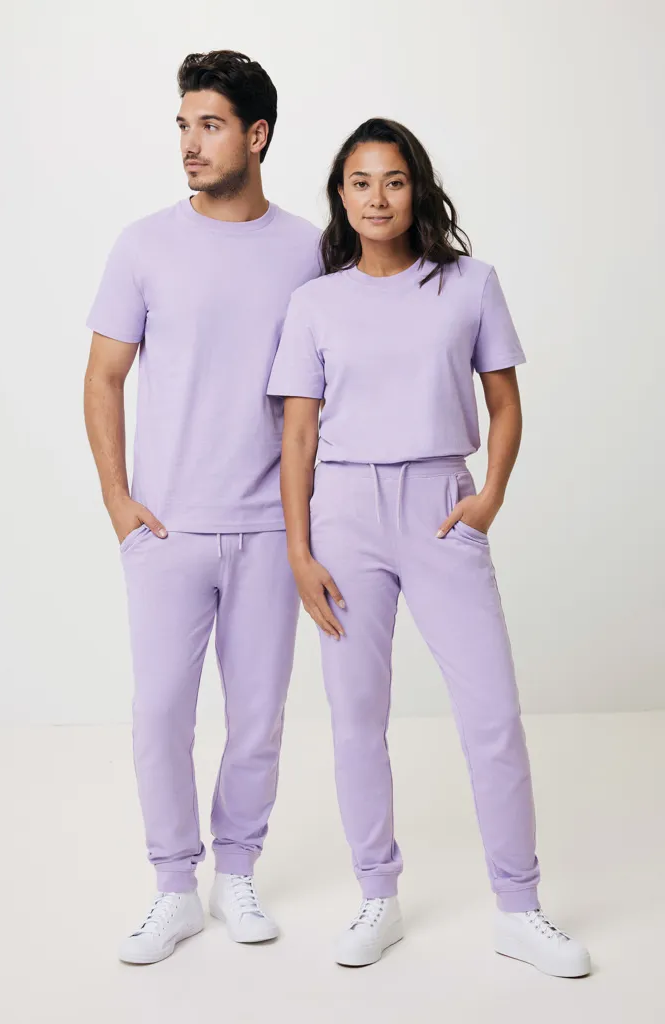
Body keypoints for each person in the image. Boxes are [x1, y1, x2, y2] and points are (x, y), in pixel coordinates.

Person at [266, 118, 591, 977]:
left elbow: (504, 405)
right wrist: (299, 550)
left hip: (442, 507)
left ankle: (518, 907)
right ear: (340, 195)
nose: (377, 198)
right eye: (360, 182)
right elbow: (297, 435)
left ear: (417, 189)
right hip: (343, 515)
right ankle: (377, 895)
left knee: (491, 715)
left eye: (394, 180)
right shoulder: (314, 303)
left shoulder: (469, 284)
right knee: (355, 718)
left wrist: (488, 498)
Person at [84, 50, 320, 965]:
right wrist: (119, 501)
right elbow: (104, 377)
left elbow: (327, 385)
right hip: (168, 528)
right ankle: (174, 887)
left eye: (210, 125)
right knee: (160, 715)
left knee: (257, 717)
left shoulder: (309, 250)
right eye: (184, 125)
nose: (190, 143)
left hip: (269, 528)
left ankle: (238, 872)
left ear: (256, 135)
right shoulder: (143, 245)